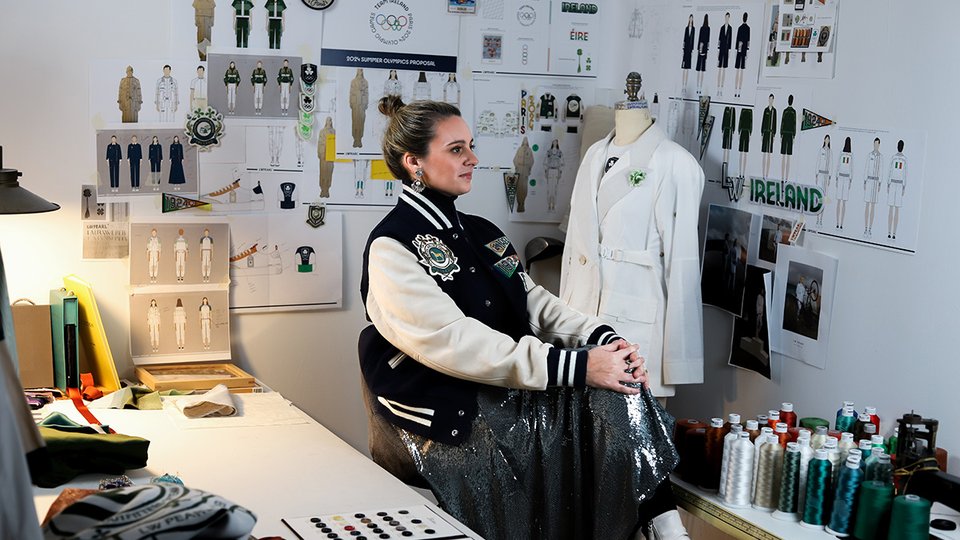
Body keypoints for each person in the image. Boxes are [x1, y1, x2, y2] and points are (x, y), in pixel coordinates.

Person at [360, 97, 687, 540]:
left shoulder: (481, 232)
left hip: (506, 386)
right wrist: (577, 367)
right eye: (456, 149)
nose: (473, 159)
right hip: (446, 407)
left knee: (618, 387)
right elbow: (456, 342)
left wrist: (606, 341)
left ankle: (668, 529)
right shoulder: (391, 247)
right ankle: (661, 528)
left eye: (471, 146)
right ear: (413, 162)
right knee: (525, 446)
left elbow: (535, 303)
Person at [887, 140, 907, 240]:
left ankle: (892, 232)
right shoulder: (895, 158)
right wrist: (888, 184)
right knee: (893, 209)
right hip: (896, 184)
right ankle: (891, 232)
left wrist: (903, 186)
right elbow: (891, 171)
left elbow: (904, 173)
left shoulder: (902, 159)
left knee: (894, 209)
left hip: (897, 184)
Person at [863, 138, 883, 237]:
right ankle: (865, 227)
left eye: (877, 144)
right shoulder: (869, 155)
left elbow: (881, 171)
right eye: (874, 144)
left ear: (879, 145)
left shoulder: (880, 157)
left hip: (875, 182)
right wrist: (865, 181)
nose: (875, 146)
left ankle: (870, 228)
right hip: (869, 181)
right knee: (867, 205)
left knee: (873, 206)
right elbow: (866, 168)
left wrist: (880, 183)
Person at [836, 137, 853, 229]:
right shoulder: (841, 154)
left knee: (843, 202)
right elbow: (838, 166)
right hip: (841, 177)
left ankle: (841, 223)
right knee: (839, 201)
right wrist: (836, 178)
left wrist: (850, 180)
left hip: (846, 179)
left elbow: (851, 168)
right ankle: (837, 222)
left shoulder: (851, 155)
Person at [815, 134, 832, 226]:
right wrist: (816, 174)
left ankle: (821, 219)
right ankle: (817, 218)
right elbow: (818, 162)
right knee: (818, 197)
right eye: (826, 139)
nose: (827, 141)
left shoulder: (830, 152)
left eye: (828, 140)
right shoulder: (821, 150)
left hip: (826, 175)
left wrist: (830, 177)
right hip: (820, 174)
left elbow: (831, 165)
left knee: (823, 198)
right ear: (824, 140)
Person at [349, 68, 368, 147]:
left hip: (362, 104)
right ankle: (355, 139)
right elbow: (351, 93)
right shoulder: (353, 81)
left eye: (361, 70)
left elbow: (367, 93)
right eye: (359, 70)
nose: (360, 71)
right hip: (355, 104)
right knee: (355, 121)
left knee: (361, 122)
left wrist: (365, 103)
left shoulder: (365, 82)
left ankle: (359, 139)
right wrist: (351, 103)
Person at [780, 95, 797, 181]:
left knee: (785, 156)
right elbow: (794, 124)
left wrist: (781, 134)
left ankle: (784, 177)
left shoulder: (786, 111)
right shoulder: (793, 112)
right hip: (789, 135)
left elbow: (782, 123)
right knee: (787, 156)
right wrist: (794, 135)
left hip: (786, 134)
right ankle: (785, 177)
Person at [761, 94, 777, 178]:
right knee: (764, 153)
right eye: (769, 99)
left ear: (773, 100)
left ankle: (767, 174)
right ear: (768, 99)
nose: (770, 100)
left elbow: (775, 123)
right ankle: (763, 173)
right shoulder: (765, 110)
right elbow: (763, 122)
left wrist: (774, 135)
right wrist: (762, 133)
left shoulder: (774, 111)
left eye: (772, 99)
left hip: (771, 134)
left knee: (769, 154)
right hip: (765, 133)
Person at [735, 12, 750, 97]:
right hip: (743, 50)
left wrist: (736, 49)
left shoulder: (740, 28)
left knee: (739, 70)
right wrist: (747, 51)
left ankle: (737, 90)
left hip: (740, 50)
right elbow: (748, 42)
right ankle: (738, 91)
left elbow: (738, 40)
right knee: (741, 70)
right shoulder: (747, 28)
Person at [717, 12, 732, 95]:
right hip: (721, 49)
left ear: (729, 18)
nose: (726, 19)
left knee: (724, 69)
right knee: (720, 68)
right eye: (726, 17)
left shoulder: (730, 28)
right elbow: (719, 40)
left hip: (726, 50)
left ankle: (722, 89)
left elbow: (730, 40)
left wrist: (729, 51)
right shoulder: (722, 28)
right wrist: (718, 50)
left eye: (728, 17)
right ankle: (718, 88)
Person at [696, 14, 710, 95]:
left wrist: (699, 48)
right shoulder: (707, 29)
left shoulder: (703, 28)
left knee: (700, 70)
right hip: (703, 50)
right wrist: (706, 50)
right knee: (701, 69)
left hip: (701, 49)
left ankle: (699, 88)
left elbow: (700, 40)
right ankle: (699, 88)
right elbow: (707, 41)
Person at [681, 15, 694, 90]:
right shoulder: (686, 28)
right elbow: (684, 39)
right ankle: (683, 85)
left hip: (690, 50)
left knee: (687, 68)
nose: (691, 20)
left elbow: (693, 40)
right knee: (684, 68)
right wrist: (683, 49)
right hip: (685, 49)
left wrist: (692, 50)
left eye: (692, 19)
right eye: (690, 18)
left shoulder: (693, 29)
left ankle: (685, 86)